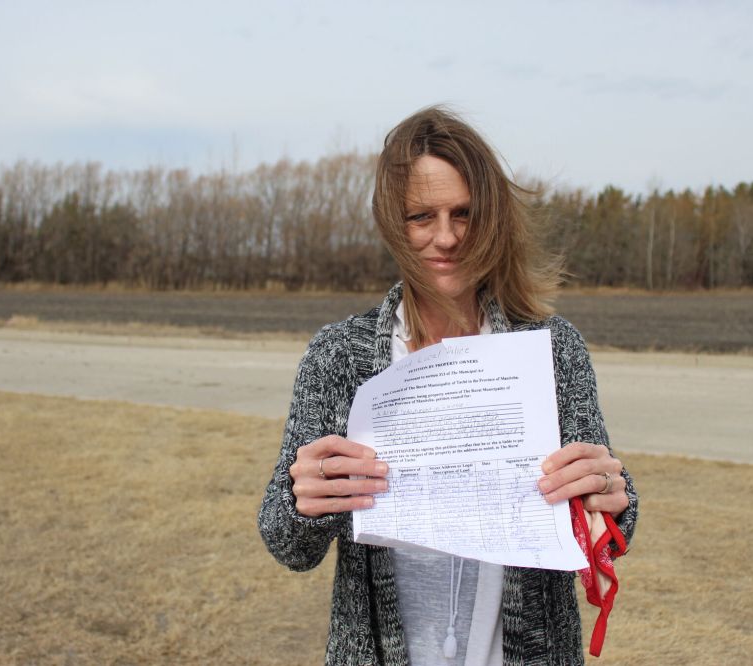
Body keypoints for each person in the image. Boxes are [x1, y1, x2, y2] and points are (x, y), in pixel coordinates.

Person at [258, 106, 638, 665]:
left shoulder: (551, 349)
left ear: (493, 218)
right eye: (421, 216)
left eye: (465, 214)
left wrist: (609, 492)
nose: (447, 237)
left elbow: (609, 518)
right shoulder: (340, 355)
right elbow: (286, 544)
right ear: (393, 224)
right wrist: (305, 502)